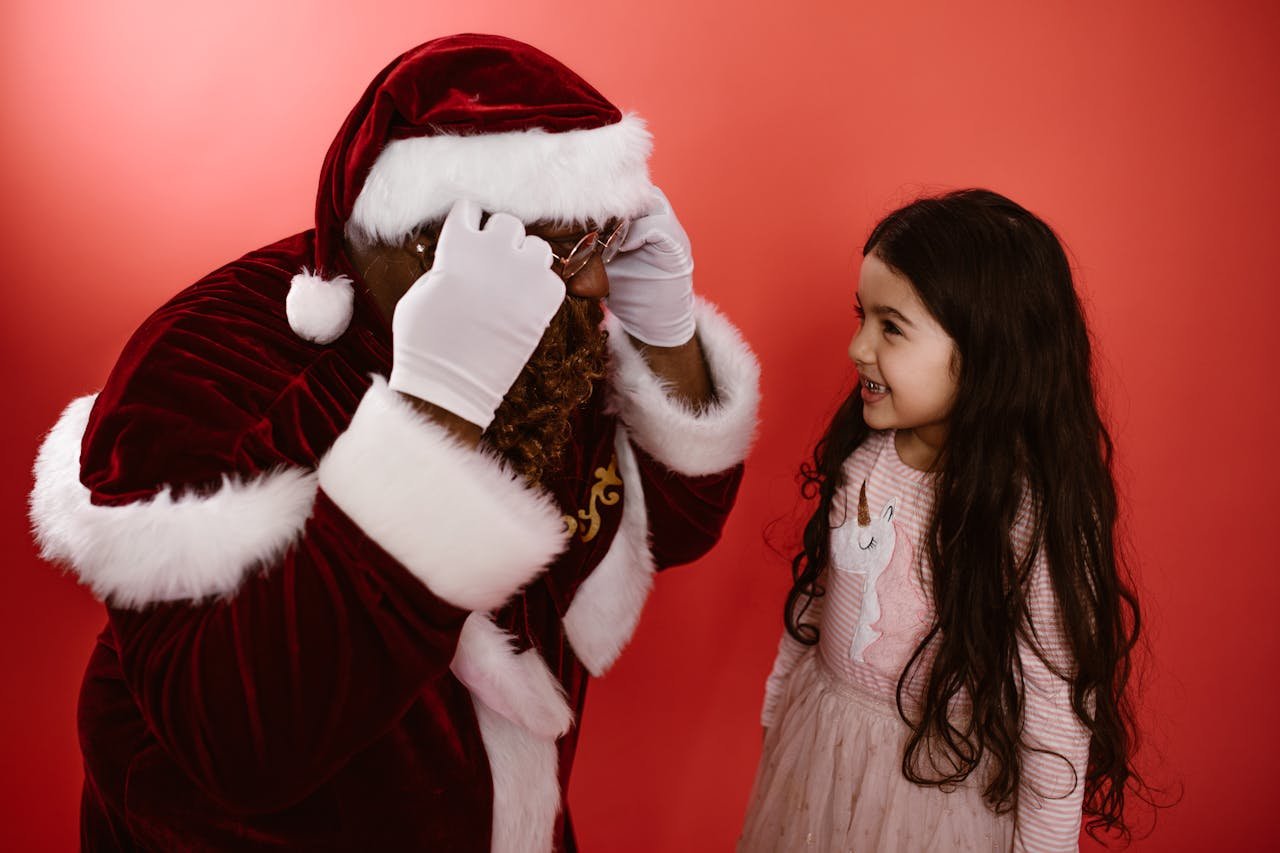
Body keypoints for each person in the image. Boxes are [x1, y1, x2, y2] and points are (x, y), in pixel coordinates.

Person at [29, 34, 759, 852]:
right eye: (571, 246)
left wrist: (667, 335)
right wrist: (433, 411)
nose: (597, 284)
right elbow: (242, 744)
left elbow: (668, 527)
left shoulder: (537, 330)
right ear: (435, 247)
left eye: (607, 243)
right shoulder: (207, 365)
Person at [738, 190, 1142, 851]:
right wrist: (779, 699)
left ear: (988, 351)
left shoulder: (1025, 514)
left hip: (931, 790)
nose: (858, 346)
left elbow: (1052, 711)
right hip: (822, 747)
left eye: (890, 326)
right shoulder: (866, 454)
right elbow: (823, 593)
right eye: (861, 317)